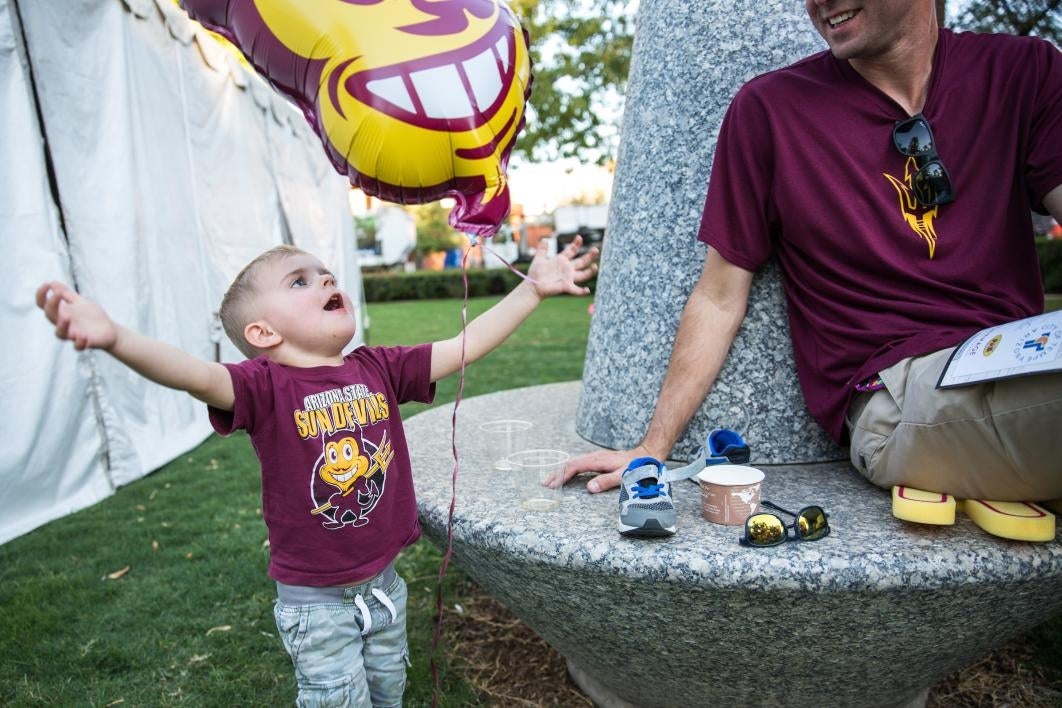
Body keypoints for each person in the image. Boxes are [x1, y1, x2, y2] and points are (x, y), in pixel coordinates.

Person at [36, 238, 597, 706]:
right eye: (300, 281)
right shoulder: (263, 386)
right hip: (317, 602)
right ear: (262, 334)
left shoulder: (377, 366)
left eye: (325, 273)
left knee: (387, 693)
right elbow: (193, 375)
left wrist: (530, 289)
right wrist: (115, 338)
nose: (327, 279)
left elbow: (463, 345)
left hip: (385, 586)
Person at [563, 0, 1062, 510]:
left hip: (1017, 361)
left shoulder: (1025, 72)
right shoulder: (771, 111)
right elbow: (718, 297)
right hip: (896, 392)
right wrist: (653, 447)